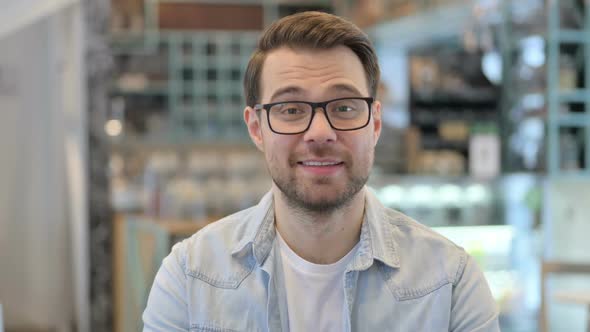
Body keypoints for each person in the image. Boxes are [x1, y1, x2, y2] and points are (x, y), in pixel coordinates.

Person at [143, 11, 500, 332]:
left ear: (375, 123)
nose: (320, 132)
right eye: (291, 109)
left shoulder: (451, 283)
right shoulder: (190, 278)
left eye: (344, 106)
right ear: (256, 128)